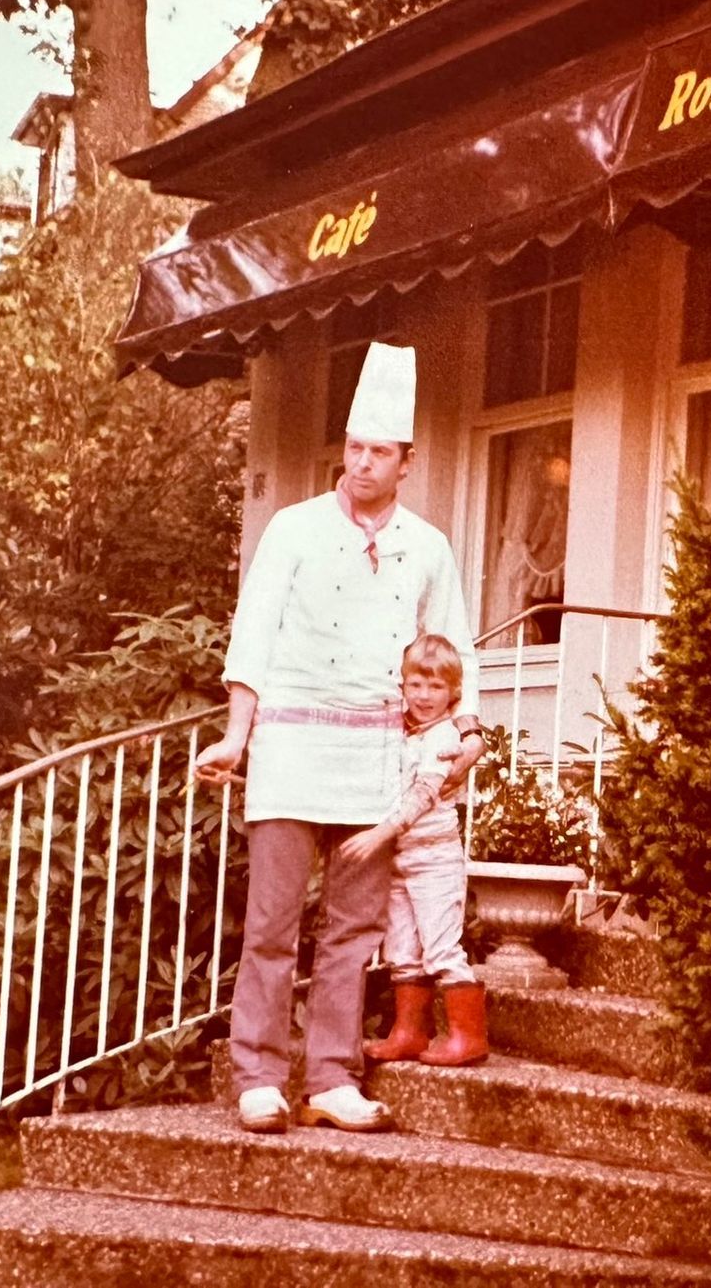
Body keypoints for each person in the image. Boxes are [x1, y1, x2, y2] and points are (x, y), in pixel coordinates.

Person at [193, 343, 484, 1134]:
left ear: (405, 460)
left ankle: (329, 1075)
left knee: (354, 929)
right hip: (290, 748)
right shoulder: (291, 529)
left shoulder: (427, 546)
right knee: (273, 922)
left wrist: (467, 730)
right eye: (353, 447)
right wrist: (236, 736)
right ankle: (258, 1071)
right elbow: (252, 637)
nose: (360, 463)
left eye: (378, 451)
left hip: (372, 758)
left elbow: (451, 641)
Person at [346, 633, 490, 1068]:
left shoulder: (445, 738)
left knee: (442, 946)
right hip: (399, 859)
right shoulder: (400, 734)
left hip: (434, 859)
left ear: (454, 694)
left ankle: (469, 1037)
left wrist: (379, 834)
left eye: (436, 687)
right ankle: (410, 1031)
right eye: (416, 686)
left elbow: (423, 794)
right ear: (402, 687)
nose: (425, 696)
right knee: (402, 950)